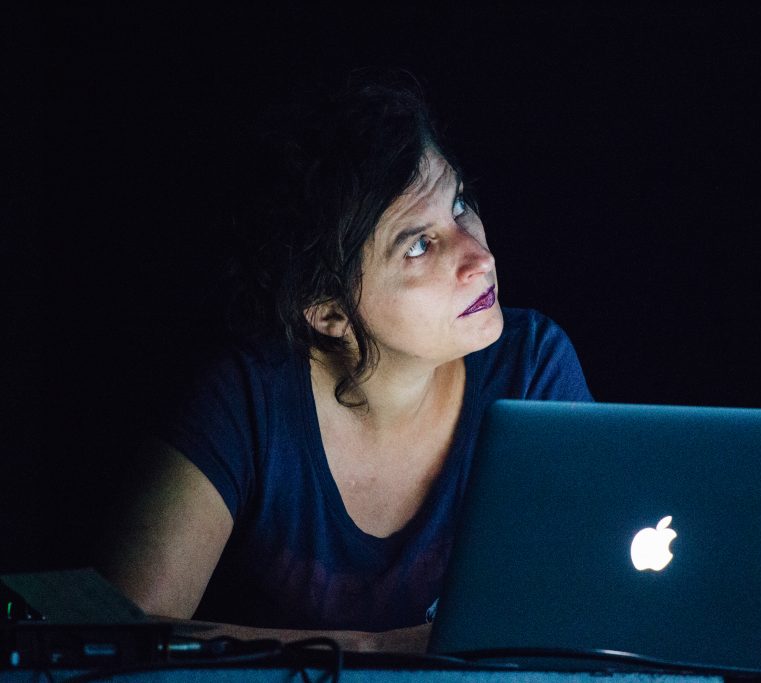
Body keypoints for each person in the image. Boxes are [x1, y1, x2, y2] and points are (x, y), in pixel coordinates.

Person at [98, 73, 592, 653]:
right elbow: (113, 635)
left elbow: (584, 608)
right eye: (418, 245)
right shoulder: (247, 399)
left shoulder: (531, 366)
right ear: (329, 311)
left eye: (460, 205)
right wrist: (375, 651)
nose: (479, 257)